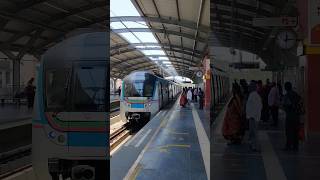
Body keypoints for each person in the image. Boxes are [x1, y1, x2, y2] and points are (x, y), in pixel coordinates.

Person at [282, 82, 301, 151]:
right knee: (296, 132)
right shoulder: (296, 95)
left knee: (289, 132)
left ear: (286, 88)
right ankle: (296, 146)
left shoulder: (287, 96)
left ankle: (288, 146)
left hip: (290, 117)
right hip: (297, 117)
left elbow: (284, 106)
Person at [246, 81, 262, 152]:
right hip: (253, 117)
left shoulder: (253, 95)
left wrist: (252, 116)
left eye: (250, 87)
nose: (248, 88)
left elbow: (256, 107)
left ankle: (256, 147)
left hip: (253, 118)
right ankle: (253, 145)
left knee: (254, 133)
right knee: (252, 132)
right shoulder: (254, 95)